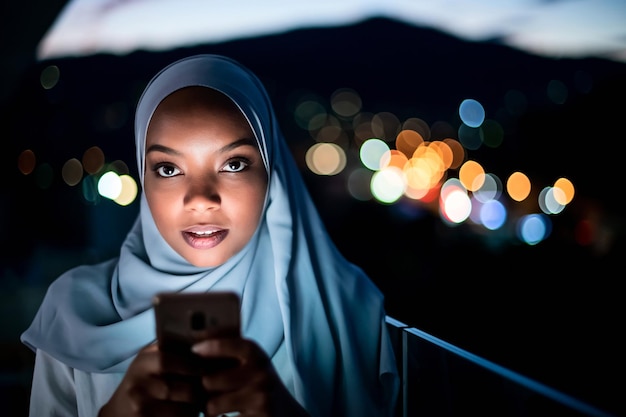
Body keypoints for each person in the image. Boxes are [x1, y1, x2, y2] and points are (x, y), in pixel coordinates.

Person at [21, 54, 399, 417]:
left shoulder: (347, 307)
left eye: (233, 164)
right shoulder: (73, 314)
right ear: (143, 175)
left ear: (272, 174)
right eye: (168, 168)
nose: (200, 198)